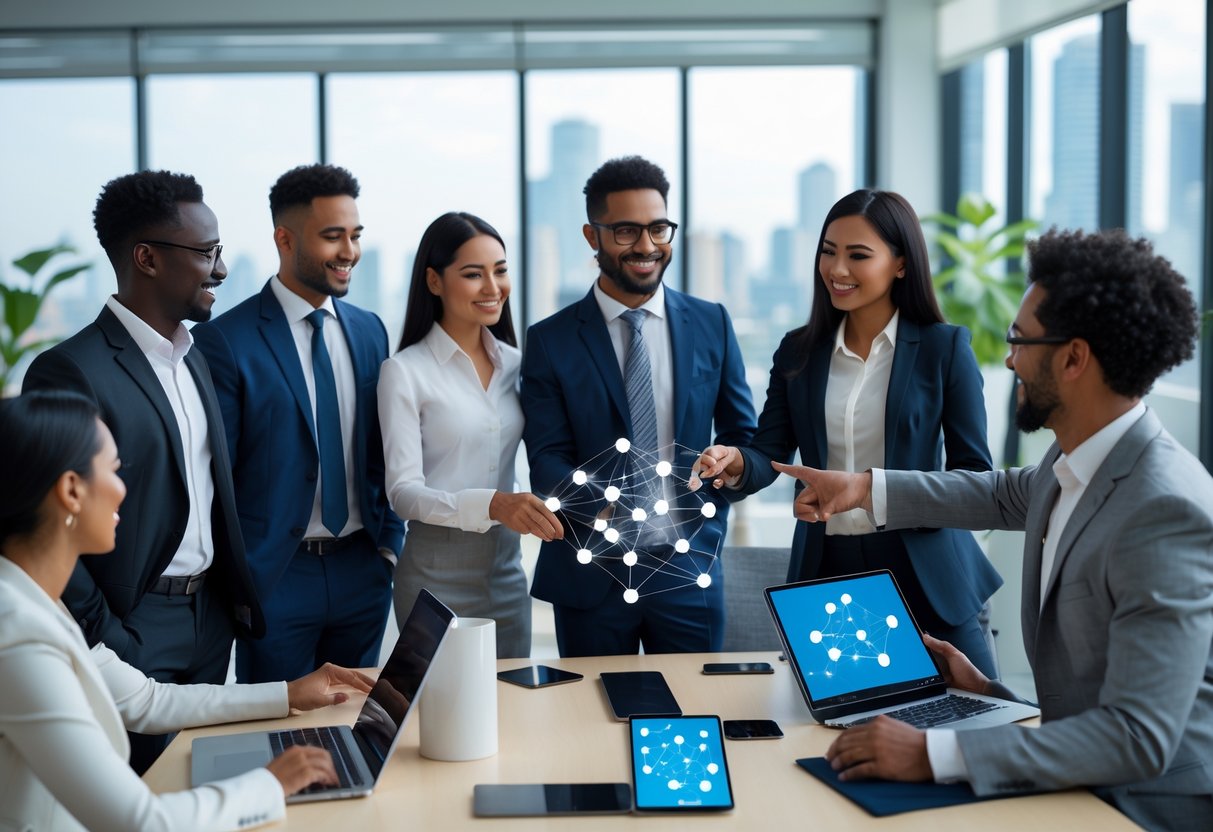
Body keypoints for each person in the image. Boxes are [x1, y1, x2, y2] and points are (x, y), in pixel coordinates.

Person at [780, 228, 1213, 831]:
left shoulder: (1163, 509)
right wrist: (987, 690)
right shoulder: (1075, 466)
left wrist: (933, 752)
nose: (1009, 358)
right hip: (1080, 781)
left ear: (1073, 358)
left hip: (1143, 808)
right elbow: (995, 492)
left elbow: (1138, 738)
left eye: (1019, 339)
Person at [0, 390, 376, 831]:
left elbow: (146, 699)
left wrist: (287, 694)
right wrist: (270, 784)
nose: (125, 489)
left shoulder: (33, 600)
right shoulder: (18, 635)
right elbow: (145, 823)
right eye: (115, 470)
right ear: (71, 490)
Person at [690, 189, 1002, 677]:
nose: (837, 269)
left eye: (858, 255)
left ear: (901, 264)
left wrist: (878, 491)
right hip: (829, 567)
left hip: (925, 568)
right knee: (844, 734)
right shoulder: (798, 351)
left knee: (974, 721)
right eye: (828, 251)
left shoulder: (944, 348)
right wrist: (733, 462)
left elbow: (974, 477)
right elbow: (768, 452)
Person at [22, 170, 263, 773]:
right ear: (147, 258)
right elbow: (45, 525)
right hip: (131, 627)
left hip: (210, 620)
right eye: (207, 253)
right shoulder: (69, 370)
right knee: (140, 793)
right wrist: (111, 638)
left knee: (201, 775)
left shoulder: (197, 357)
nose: (221, 270)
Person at [521, 155, 757, 657]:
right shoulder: (550, 340)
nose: (647, 246)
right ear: (593, 236)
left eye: (658, 228)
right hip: (593, 576)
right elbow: (545, 457)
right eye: (626, 231)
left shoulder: (711, 322)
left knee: (695, 721)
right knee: (592, 725)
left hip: (687, 569)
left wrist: (733, 463)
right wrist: (606, 505)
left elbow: (745, 436)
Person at [193, 164, 404, 683]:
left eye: (355, 235)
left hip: (362, 568)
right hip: (277, 577)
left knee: (358, 725)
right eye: (333, 236)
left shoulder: (370, 330)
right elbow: (215, 475)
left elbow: (384, 448)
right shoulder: (226, 340)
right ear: (284, 239)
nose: (349, 251)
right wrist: (242, 581)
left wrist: (388, 549)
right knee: (279, 735)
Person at [378, 212, 563, 659]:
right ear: (434, 281)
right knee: (441, 718)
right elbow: (402, 493)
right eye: (473, 274)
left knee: (513, 710)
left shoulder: (520, 366)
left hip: (505, 569)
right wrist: (493, 504)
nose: (492, 287)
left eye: (500, 271)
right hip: (433, 575)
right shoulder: (404, 372)